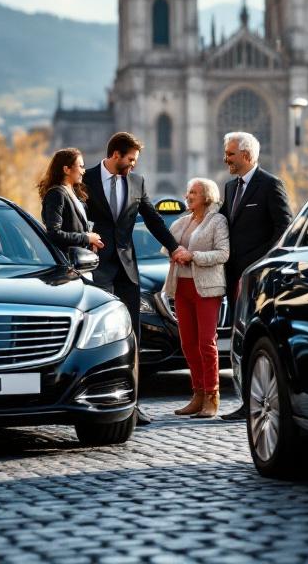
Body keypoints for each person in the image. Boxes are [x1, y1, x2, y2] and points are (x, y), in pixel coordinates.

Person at [82, 131, 186, 425]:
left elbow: (152, 219)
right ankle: (97, 400)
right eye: (130, 160)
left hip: (128, 270)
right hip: (97, 269)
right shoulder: (86, 181)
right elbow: (74, 219)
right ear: (115, 155)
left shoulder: (137, 182)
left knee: (131, 338)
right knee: (99, 335)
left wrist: (175, 247)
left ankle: (133, 405)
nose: (132, 165)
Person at [218, 131, 293, 421]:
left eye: (230, 154)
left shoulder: (270, 185)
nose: (225, 159)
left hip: (257, 279)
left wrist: (259, 266)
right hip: (234, 277)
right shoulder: (229, 187)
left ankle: (254, 400)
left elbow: (283, 229)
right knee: (240, 341)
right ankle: (245, 400)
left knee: (254, 340)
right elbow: (223, 224)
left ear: (247, 155)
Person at [165, 178, 230, 418]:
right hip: (181, 287)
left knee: (206, 343)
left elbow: (223, 253)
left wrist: (193, 256)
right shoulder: (183, 221)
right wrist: (176, 252)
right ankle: (198, 393)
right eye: (188, 191)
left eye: (194, 192)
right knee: (188, 344)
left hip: (206, 288)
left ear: (206, 196)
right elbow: (168, 247)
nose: (188, 195)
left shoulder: (217, 221)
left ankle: (212, 395)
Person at [37, 148, 103, 254]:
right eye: (80, 166)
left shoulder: (76, 195)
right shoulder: (56, 194)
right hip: (67, 264)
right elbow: (54, 234)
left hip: (81, 262)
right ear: (66, 169)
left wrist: (90, 242)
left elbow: (77, 230)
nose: (84, 171)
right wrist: (86, 238)